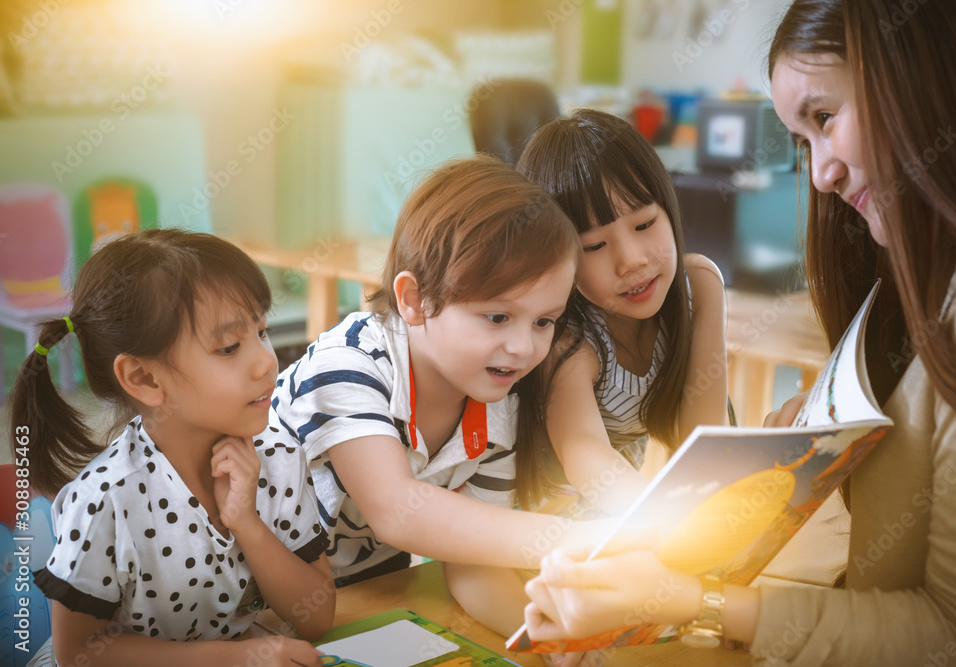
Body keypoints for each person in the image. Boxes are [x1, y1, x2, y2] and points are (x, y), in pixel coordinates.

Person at [522, 1, 956, 665]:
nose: (822, 175)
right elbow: (594, 457)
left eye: (824, 117)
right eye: (804, 141)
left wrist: (691, 594)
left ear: (918, 76)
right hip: (572, 531)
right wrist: (816, 433)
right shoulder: (906, 278)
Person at [261, 155, 598, 590]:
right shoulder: (347, 364)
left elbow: (474, 566)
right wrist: (585, 539)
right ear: (414, 300)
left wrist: (546, 627)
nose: (523, 348)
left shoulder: (498, 403)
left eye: (543, 321)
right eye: (497, 317)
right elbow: (397, 510)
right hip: (240, 595)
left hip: (366, 589)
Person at [10, 230, 335, 667]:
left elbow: (317, 617)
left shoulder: (277, 456)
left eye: (262, 331)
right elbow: (78, 654)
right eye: (229, 347)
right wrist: (234, 658)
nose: (266, 361)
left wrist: (247, 524)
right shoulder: (105, 501)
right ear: (144, 379)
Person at [513, 108, 730, 516]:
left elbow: (702, 437)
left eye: (644, 224)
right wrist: (656, 514)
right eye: (594, 246)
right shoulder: (569, 338)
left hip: (624, 502)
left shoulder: (699, 287)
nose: (631, 260)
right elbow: (582, 448)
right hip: (542, 507)